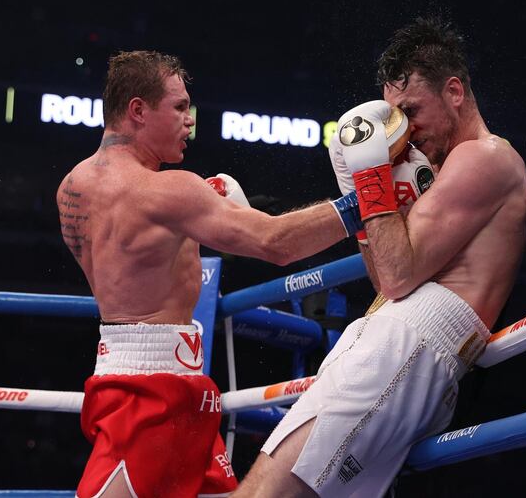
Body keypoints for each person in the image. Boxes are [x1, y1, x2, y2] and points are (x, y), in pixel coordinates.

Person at [233, 17, 526, 498]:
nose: (404, 132)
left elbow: (395, 277)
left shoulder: (484, 158)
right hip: (393, 338)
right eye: (394, 117)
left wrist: (369, 176)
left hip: (408, 343)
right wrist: (360, 188)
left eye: (411, 111)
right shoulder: (436, 169)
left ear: (454, 91)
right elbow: (384, 277)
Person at [57, 50, 365, 498]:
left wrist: (194, 217)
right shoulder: (170, 190)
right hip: (158, 395)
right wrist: (363, 201)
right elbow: (275, 243)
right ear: (138, 110)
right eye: (179, 107)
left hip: (126, 377)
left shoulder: (72, 187)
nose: (190, 121)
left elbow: (134, 255)